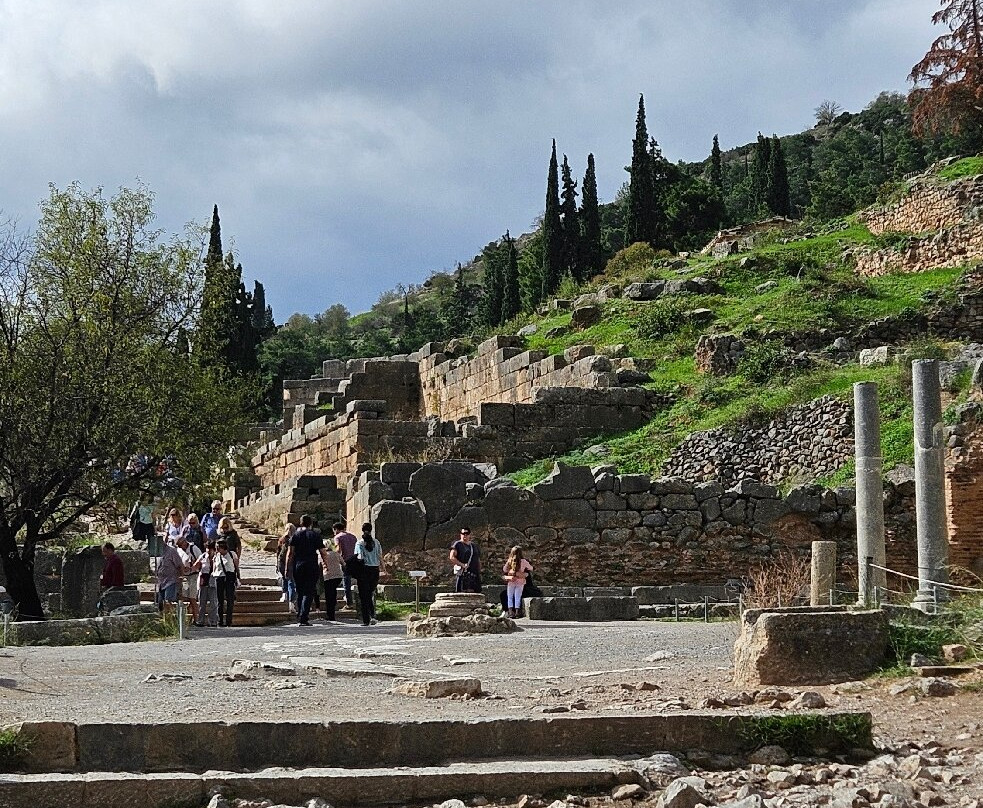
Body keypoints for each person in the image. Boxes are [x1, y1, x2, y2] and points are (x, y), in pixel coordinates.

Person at [286, 514, 331, 626]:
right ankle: (303, 617)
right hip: (311, 565)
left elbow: (290, 553)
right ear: (311, 523)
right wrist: (326, 564)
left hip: (299, 564)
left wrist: (287, 567)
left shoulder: (295, 535)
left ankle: (300, 614)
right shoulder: (315, 535)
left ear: (300, 523)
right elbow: (323, 552)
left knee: (300, 591)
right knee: (309, 591)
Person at [354, 522, 384, 626]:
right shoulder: (376, 542)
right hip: (375, 570)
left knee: (364, 596)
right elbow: (380, 556)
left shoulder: (360, 543)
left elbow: (359, 557)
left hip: (364, 570)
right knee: (370, 594)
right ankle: (372, 615)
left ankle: (366, 619)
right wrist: (384, 569)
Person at [156, 539, 189, 612]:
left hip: (170, 581)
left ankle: (172, 618)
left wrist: (182, 577)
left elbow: (180, 565)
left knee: (168, 601)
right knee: (160, 603)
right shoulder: (158, 553)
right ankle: (164, 619)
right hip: (161, 583)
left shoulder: (172, 551)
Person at [213, 538, 239, 627]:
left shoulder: (232, 554)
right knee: (219, 600)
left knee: (230, 599)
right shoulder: (216, 556)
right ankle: (219, 621)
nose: (217, 549)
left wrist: (238, 577)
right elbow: (214, 568)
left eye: (218, 548)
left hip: (229, 577)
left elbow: (236, 566)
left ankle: (229, 621)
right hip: (219, 577)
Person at [193, 540, 219, 627]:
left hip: (213, 579)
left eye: (210, 548)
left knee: (213, 602)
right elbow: (196, 566)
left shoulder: (217, 557)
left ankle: (213, 621)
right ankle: (200, 620)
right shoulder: (203, 556)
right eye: (207, 548)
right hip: (203, 579)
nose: (208, 550)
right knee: (202, 602)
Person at [502, 545, 533, 619]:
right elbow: (531, 568)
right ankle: (517, 612)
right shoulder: (523, 561)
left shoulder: (510, 561)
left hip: (511, 581)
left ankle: (510, 612)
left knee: (509, 596)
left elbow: (504, 569)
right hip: (520, 581)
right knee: (517, 596)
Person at [333, 521, 357, 608]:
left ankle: (349, 603)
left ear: (336, 529)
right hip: (354, 560)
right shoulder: (353, 537)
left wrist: (336, 558)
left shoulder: (338, 537)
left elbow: (338, 549)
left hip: (345, 561)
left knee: (346, 582)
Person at [449, 527, 481, 592]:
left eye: (467, 533)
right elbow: (452, 557)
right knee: (461, 592)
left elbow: (477, 559)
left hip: (474, 573)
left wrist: (479, 570)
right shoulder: (457, 544)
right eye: (463, 533)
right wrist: (462, 565)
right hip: (463, 573)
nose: (465, 535)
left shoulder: (474, 546)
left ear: (469, 535)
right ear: (460, 534)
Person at [321, 535, 344, 622]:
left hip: (328, 576)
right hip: (338, 576)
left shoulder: (323, 555)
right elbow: (343, 563)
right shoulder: (336, 554)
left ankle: (330, 614)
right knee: (333, 592)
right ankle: (333, 609)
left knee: (328, 595)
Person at [277, 524, 297, 609]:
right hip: (292, 562)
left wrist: (277, 564)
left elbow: (278, 552)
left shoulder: (282, 539)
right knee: (291, 581)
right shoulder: (296, 540)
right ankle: (291, 602)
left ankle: (284, 594)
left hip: (282, 562)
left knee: (285, 579)